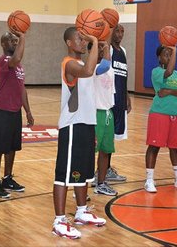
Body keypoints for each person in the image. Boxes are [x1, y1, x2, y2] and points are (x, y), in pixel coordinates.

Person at [52, 27, 106, 239]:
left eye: (85, 39)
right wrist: (93, 39)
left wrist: (102, 42)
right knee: (64, 175)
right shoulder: (69, 63)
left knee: (83, 173)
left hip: (87, 122)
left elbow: (101, 66)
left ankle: (82, 212)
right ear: (69, 42)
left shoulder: (84, 63)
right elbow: (88, 72)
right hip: (72, 124)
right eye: (79, 39)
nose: (83, 42)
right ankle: (58, 221)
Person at [0, 30, 34, 198]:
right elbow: (17, 58)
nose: (15, 43)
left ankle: (7, 178)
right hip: (1, 109)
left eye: (16, 41)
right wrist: (22, 37)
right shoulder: (5, 61)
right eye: (12, 41)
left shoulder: (18, 66)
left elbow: (22, 89)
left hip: (14, 111)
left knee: (12, 147)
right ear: (3, 44)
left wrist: (27, 111)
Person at [144, 45, 177, 193]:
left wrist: (169, 91)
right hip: (159, 113)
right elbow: (168, 72)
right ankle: (149, 180)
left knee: (175, 148)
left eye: (171, 55)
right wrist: (175, 50)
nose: (169, 57)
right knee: (154, 146)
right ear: (159, 57)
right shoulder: (156, 72)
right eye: (166, 55)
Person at [103, 23, 130, 183]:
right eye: (116, 30)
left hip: (120, 98)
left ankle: (106, 169)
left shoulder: (124, 51)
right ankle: (101, 170)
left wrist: (127, 97)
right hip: (109, 99)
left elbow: (123, 76)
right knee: (105, 137)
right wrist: (108, 28)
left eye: (122, 31)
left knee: (112, 137)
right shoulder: (108, 49)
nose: (119, 34)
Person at [92, 40, 118, 196]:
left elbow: (111, 92)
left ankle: (101, 183)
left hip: (108, 113)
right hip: (96, 114)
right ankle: (82, 184)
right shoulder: (93, 69)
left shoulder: (111, 70)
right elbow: (105, 65)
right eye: (99, 51)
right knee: (91, 152)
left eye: (104, 50)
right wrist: (106, 46)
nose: (102, 53)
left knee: (105, 151)